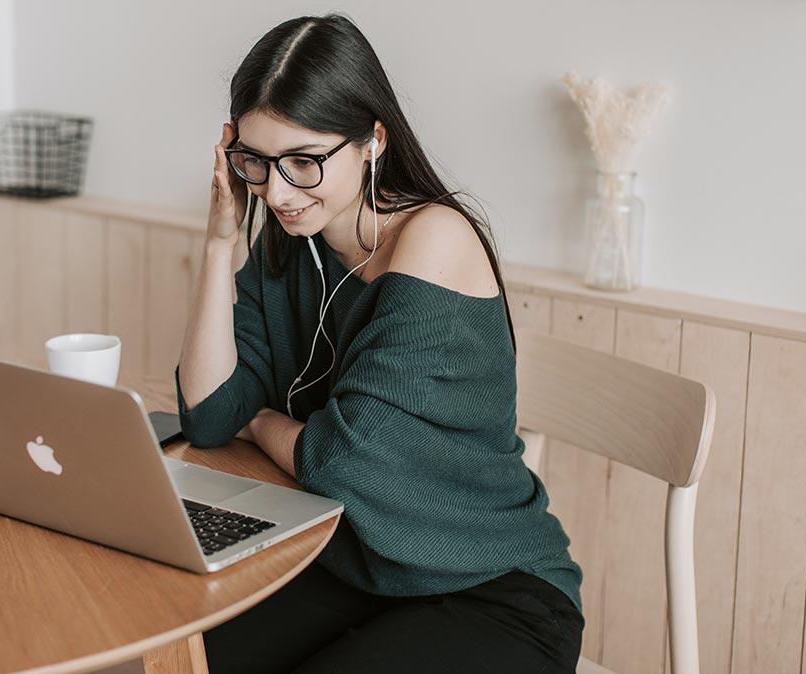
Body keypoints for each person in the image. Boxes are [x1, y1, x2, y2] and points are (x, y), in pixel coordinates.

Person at [175, 13, 583, 674]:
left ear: (373, 141)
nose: (277, 191)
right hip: (355, 565)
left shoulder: (434, 237)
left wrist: (260, 417)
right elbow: (210, 413)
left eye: (304, 161)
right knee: (187, 654)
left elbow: (342, 457)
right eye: (255, 160)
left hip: (494, 589)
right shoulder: (291, 237)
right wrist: (221, 238)